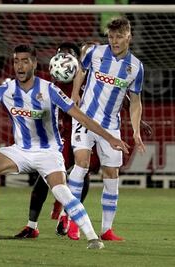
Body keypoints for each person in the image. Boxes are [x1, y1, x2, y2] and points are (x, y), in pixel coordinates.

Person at [0, 44, 130, 249]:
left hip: (48, 152)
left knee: (61, 192)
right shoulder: (6, 90)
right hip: (20, 150)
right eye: (16, 61)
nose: (20, 66)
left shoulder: (49, 90)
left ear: (34, 63)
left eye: (25, 61)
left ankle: (93, 238)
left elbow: (81, 117)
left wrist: (109, 138)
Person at [15, 42, 153, 241]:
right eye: (60, 54)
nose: (64, 59)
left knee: (84, 170)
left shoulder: (87, 76)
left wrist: (140, 121)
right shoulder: (51, 81)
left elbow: (118, 95)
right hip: (61, 134)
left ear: (76, 59)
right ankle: (33, 225)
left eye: (69, 54)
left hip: (88, 126)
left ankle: (67, 217)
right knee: (46, 175)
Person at [69, 16, 145, 241]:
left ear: (128, 36)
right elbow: (81, 72)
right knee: (81, 163)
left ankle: (106, 229)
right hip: (85, 117)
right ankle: (73, 222)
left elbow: (135, 102)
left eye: (119, 37)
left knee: (111, 174)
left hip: (111, 125)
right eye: (111, 37)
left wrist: (136, 131)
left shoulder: (136, 68)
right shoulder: (95, 52)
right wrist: (75, 93)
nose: (114, 41)